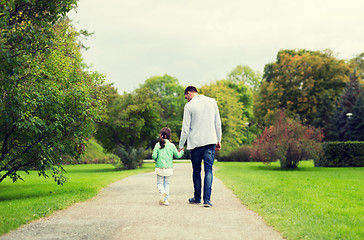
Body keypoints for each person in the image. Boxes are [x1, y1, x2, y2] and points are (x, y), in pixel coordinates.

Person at [179, 86, 222, 207]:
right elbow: (217, 123)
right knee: (209, 171)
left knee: (196, 171)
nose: (186, 99)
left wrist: (181, 145)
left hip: (196, 143)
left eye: (186, 97)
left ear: (189, 93)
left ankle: (197, 198)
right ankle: (207, 200)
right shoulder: (212, 102)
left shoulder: (189, 106)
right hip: (210, 141)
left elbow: (185, 128)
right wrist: (219, 139)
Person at [152, 127, 184, 206]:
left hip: (159, 167)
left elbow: (153, 156)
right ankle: (166, 200)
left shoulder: (158, 145)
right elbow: (177, 155)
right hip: (169, 168)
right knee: (167, 184)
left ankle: (162, 192)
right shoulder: (171, 145)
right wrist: (182, 151)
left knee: (160, 183)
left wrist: (156, 159)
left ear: (161, 135)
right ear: (169, 136)